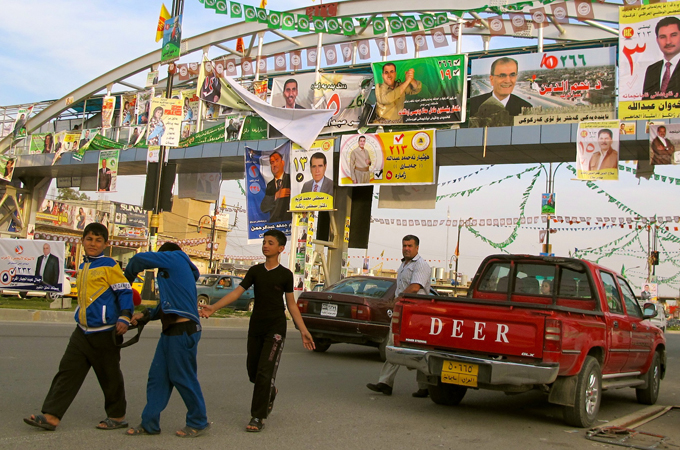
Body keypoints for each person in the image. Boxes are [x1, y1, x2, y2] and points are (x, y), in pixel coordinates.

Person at [199, 229, 315, 432]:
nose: (265, 246)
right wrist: (214, 308)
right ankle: (271, 391)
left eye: (270, 243)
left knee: (264, 373)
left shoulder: (285, 275)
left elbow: (291, 304)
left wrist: (302, 330)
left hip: (276, 328)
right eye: (264, 242)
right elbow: (237, 293)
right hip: (256, 327)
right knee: (253, 373)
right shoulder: (255, 271)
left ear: (281, 248)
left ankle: (257, 417)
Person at [24, 222, 133, 432]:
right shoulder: (83, 266)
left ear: (105, 244)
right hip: (82, 331)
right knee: (67, 372)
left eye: (98, 240)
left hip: (105, 332)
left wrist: (125, 316)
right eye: (89, 239)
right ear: (82, 241)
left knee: (109, 376)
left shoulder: (110, 265)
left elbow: (124, 291)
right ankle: (51, 416)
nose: (93, 243)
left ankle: (117, 416)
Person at [123, 243, 210, 438]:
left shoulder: (175, 257)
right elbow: (166, 306)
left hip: (183, 331)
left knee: (183, 377)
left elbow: (138, 259)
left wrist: (124, 282)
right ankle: (149, 423)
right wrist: (144, 315)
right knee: (157, 378)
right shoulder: (176, 274)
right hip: (170, 331)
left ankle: (198, 421)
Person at [366, 235, 431, 398]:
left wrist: (398, 299)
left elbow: (415, 287)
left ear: (417, 248)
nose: (406, 248)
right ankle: (385, 383)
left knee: (418, 349)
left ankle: (425, 386)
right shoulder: (403, 265)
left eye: (410, 246)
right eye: (404, 245)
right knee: (392, 344)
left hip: (416, 313)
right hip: (401, 311)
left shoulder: (421, 265)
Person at [469, 57, 532, 127]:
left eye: (512, 75)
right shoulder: (474, 104)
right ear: (492, 79)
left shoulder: (525, 107)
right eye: (502, 76)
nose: (507, 81)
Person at [642, 16, 680, 100]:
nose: (668, 42)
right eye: (663, 37)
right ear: (657, 40)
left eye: (673, 35)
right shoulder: (652, 70)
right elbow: (646, 102)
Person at [260, 151, 292, 223]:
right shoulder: (270, 185)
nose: (274, 164)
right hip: (274, 225)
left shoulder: (291, 179)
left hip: (290, 223)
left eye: (277, 161)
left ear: (283, 163)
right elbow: (264, 208)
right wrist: (276, 196)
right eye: (272, 162)